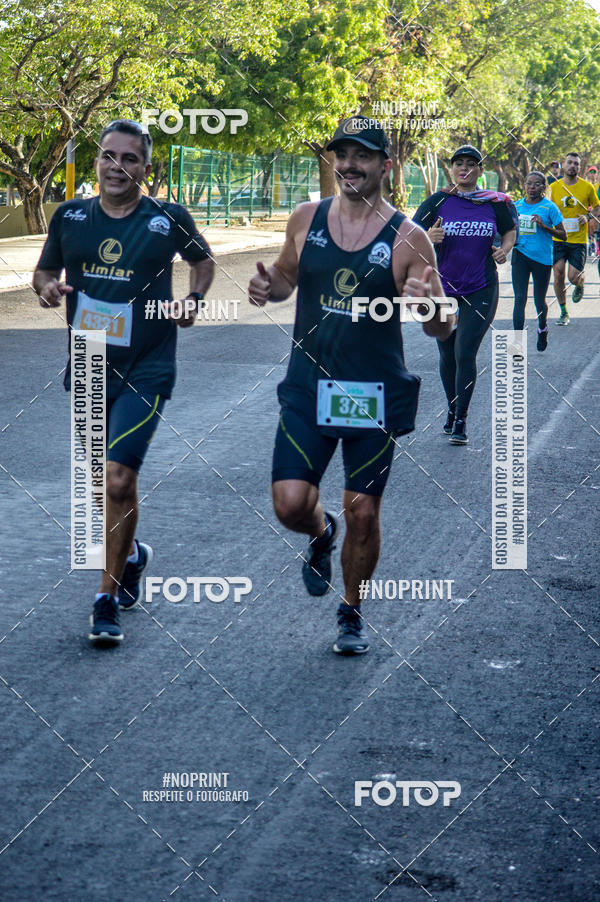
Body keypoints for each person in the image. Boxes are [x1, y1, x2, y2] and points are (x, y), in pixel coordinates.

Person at [247, 116, 455, 656]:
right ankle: (320, 534)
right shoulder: (305, 217)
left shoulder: (408, 237)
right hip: (308, 387)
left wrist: (431, 307)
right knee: (291, 504)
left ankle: (351, 610)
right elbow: (287, 278)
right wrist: (269, 286)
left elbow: (440, 327)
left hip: (372, 394)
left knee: (365, 510)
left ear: (386, 165)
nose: (349, 165)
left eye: (362, 156)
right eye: (342, 155)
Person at [33, 119, 215, 645]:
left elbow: (203, 264)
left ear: (146, 168)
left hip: (149, 363)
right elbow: (44, 273)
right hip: (89, 359)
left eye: (129, 159)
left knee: (117, 478)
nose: (117, 167)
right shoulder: (69, 216)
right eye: (108, 157)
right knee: (96, 486)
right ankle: (133, 556)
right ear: (97, 163)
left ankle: (105, 598)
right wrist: (47, 290)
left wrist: (194, 300)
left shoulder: (167, 217)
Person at [413, 144, 518, 444]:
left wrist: (505, 249)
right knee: (447, 353)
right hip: (441, 288)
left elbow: (509, 231)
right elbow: (407, 236)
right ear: (453, 169)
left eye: (471, 164)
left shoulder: (494, 203)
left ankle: (461, 420)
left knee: (465, 352)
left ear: (479, 171)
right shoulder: (438, 201)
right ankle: (451, 408)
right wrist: (427, 237)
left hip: (481, 286)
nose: (465, 168)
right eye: (459, 163)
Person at [512, 172, 565, 352]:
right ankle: (517, 343)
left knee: (538, 300)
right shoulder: (516, 205)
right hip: (520, 255)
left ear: (543, 187)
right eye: (529, 184)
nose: (532, 187)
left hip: (541, 259)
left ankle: (542, 327)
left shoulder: (549, 208)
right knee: (519, 298)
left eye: (536, 184)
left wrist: (544, 227)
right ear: (524, 185)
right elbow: (509, 229)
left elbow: (563, 235)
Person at [549, 152, 600, 324]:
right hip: (559, 239)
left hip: (578, 240)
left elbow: (597, 207)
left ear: (580, 167)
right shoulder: (554, 187)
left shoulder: (587, 187)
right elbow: (548, 208)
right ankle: (564, 312)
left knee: (573, 277)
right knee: (558, 273)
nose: (573, 166)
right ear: (564, 165)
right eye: (570, 163)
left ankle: (580, 282)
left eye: (576, 164)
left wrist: (588, 217)